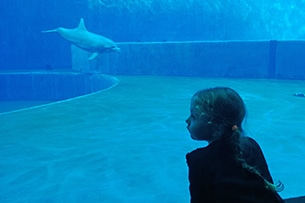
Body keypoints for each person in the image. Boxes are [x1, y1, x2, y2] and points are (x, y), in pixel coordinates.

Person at [185, 87, 284, 203]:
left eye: (194, 116)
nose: (187, 120)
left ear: (215, 125)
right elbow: (268, 192)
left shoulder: (199, 159)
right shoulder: (251, 145)